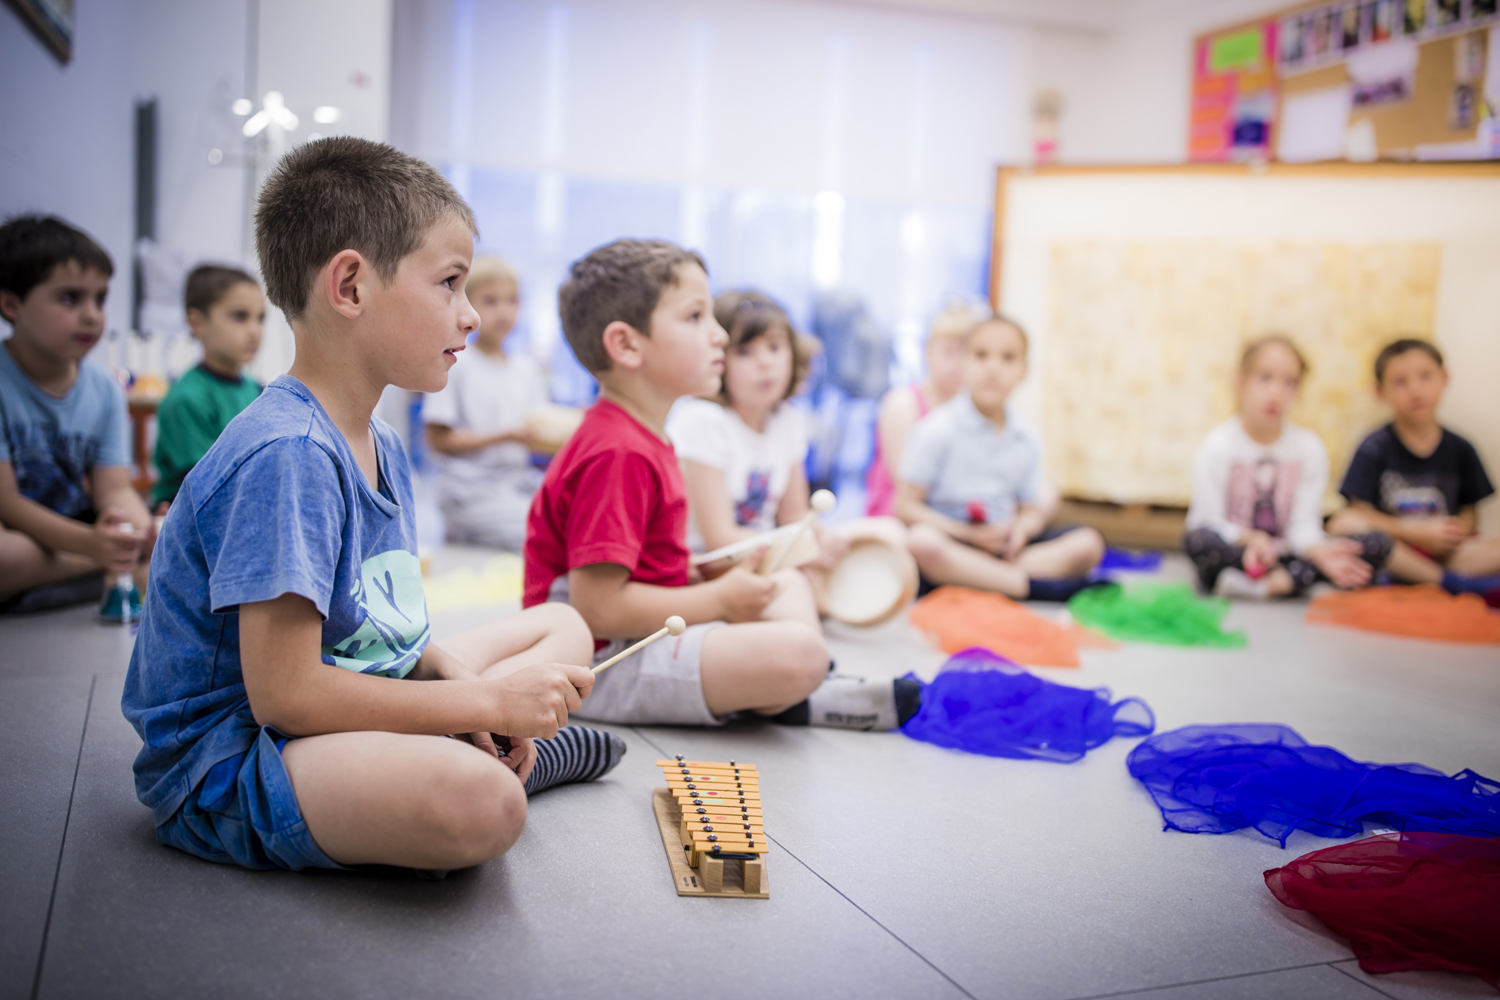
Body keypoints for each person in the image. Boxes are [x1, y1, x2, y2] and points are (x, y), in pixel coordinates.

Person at [122, 138, 620, 876]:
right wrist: (484, 705)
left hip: (352, 693)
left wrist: (460, 682)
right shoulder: (286, 452)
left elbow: (385, 638)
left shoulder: (380, 442)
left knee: (565, 622)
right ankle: (497, 758)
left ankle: (476, 745)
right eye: (450, 284)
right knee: (483, 807)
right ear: (350, 286)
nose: (472, 316)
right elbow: (286, 696)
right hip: (237, 759)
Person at [524, 239, 920, 731]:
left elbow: (644, 567)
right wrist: (718, 601)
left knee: (785, 590)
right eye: (695, 318)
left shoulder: (645, 436)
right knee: (796, 654)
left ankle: (801, 691)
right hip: (600, 666)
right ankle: (803, 696)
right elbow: (597, 608)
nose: (718, 336)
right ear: (627, 345)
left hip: (642, 633)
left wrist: (694, 574)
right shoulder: (617, 450)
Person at [0, 215, 154, 610]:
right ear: (11, 304)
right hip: (18, 532)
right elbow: (8, 503)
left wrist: (143, 532)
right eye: (70, 298)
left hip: (74, 533)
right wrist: (93, 546)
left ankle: (108, 560)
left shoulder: (103, 388)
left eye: (100, 298)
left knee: (157, 550)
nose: (92, 315)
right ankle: (104, 564)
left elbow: (114, 488)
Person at [898, 314, 1104, 601]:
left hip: (1003, 546)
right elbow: (906, 507)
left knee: (1088, 544)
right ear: (964, 363)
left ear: (1024, 370)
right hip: (953, 538)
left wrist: (1019, 531)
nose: (993, 368)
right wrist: (966, 534)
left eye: (1008, 358)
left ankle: (980, 578)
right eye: (981, 356)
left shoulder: (1026, 438)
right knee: (921, 544)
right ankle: (1029, 587)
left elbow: (1031, 509)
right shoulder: (935, 430)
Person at [1182, 335, 1390, 599]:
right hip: (1241, 553)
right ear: (1239, 382)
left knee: (1377, 545)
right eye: (1265, 377)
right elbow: (1207, 520)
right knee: (1196, 540)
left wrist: (1317, 551)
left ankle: (1274, 584)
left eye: (1289, 382)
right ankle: (1302, 577)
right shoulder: (1217, 446)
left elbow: (1304, 524)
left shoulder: (1309, 448)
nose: (1276, 392)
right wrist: (1250, 539)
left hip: (1287, 553)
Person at [1327, 338, 1499, 596]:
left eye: (1425, 376)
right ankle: (1450, 584)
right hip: (1398, 549)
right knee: (1343, 523)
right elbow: (1359, 511)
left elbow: (1469, 512)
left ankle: (1421, 578)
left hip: (1445, 553)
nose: (1415, 389)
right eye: (1400, 381)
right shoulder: (1374, 447)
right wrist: (1416, 533)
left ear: (1444, 379)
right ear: (1380, 391)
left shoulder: (1461, 448)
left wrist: (1452, 533)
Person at [422, 255, 545, 551]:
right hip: (469, 490)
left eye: (512, 300)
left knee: (574, 520)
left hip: (517, 485)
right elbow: (438, 440)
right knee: (541, 537)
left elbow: (537, 438)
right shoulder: (454, 364)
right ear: (467, 304)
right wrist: (506, 435)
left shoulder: (527, 369)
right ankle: (465, 529)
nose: (503, 311)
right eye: (490, 301)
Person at [150, 265, 265, 508]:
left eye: (260, 318)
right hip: (191, 519)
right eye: (240, 316)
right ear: (197, 322)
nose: (255, 330)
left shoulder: (258, 391)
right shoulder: (186, 400)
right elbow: (209, 486)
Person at [865, 304, 972, 517]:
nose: (956, 364)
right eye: (948, 352)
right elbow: (907, 483)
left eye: (966, 354)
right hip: (897, 518)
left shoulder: (969, 408)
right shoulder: (902, 403)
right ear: (928, 352)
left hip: (948, 514)